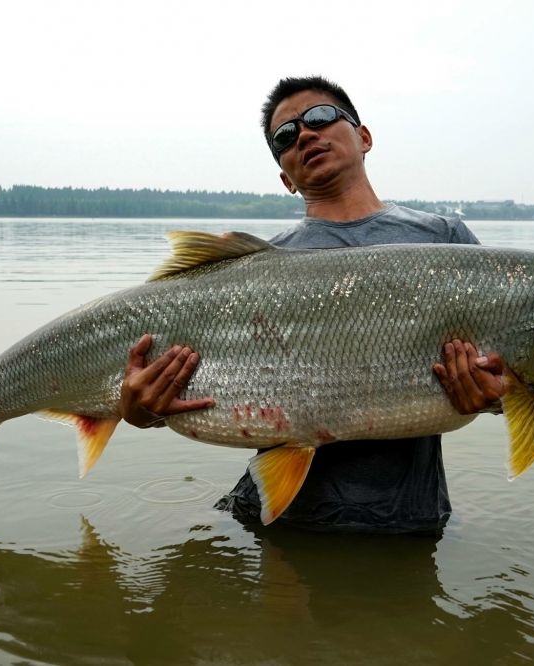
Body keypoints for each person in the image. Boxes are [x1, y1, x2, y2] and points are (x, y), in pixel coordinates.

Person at [120, 76, 506, 533]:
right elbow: (157, 404)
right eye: (285, 137)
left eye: (320, 117)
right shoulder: (258, 266)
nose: (304, 134)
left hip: (408, 518)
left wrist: (494, 396)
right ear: (285, 177)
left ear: (363, 136)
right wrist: (138, 411)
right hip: (275, 521)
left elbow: (511, 377)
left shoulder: (445, 241)